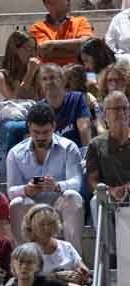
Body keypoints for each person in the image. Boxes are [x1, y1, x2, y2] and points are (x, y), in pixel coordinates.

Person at [7, 103, 85, 251]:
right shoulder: (15, 153)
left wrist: (57, 186)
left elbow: (77, 182)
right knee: (16, 202)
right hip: (31, 207)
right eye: (36, 132)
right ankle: (23, 257)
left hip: (59, 205)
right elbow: (11, 190)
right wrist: (27, 189)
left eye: (45, 132)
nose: (41, 137)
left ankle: (74, 258)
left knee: (73, 196)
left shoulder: (69, 147)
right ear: (28, 127)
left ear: (54, 126)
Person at [87, 91, 130, 219]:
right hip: (110, 198)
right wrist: (110, 191)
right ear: (105, 114)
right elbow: (92, 180)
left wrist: (126, 188)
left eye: (125, 108)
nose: (122, 113)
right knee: (96, 201)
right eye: (116, 109)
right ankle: (107, 240)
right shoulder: (96, 144)